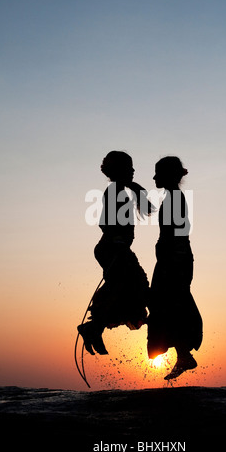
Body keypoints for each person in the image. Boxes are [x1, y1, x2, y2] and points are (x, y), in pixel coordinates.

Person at [78, 151, 153, 355]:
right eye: (130, 167)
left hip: (116, 248)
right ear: (121, 170)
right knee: (129, 287)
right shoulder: (115, 191)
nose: (133, 171)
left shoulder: (120, 190)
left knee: (129, 288)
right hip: (114, 248)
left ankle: (94, 328)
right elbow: (104, 222)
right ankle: (93, 328)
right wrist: (118, 240)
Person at [147, 156, 203, 380]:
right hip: (173, 259)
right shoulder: (172, 198)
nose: (154, 177)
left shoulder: (175, 199)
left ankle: (184, 354)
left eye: (157, 173)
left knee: (169, 303)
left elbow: (177, 234)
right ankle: (183, 354)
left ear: (169, 175)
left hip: (174, 260)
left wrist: (171, 261)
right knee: (169, 304)